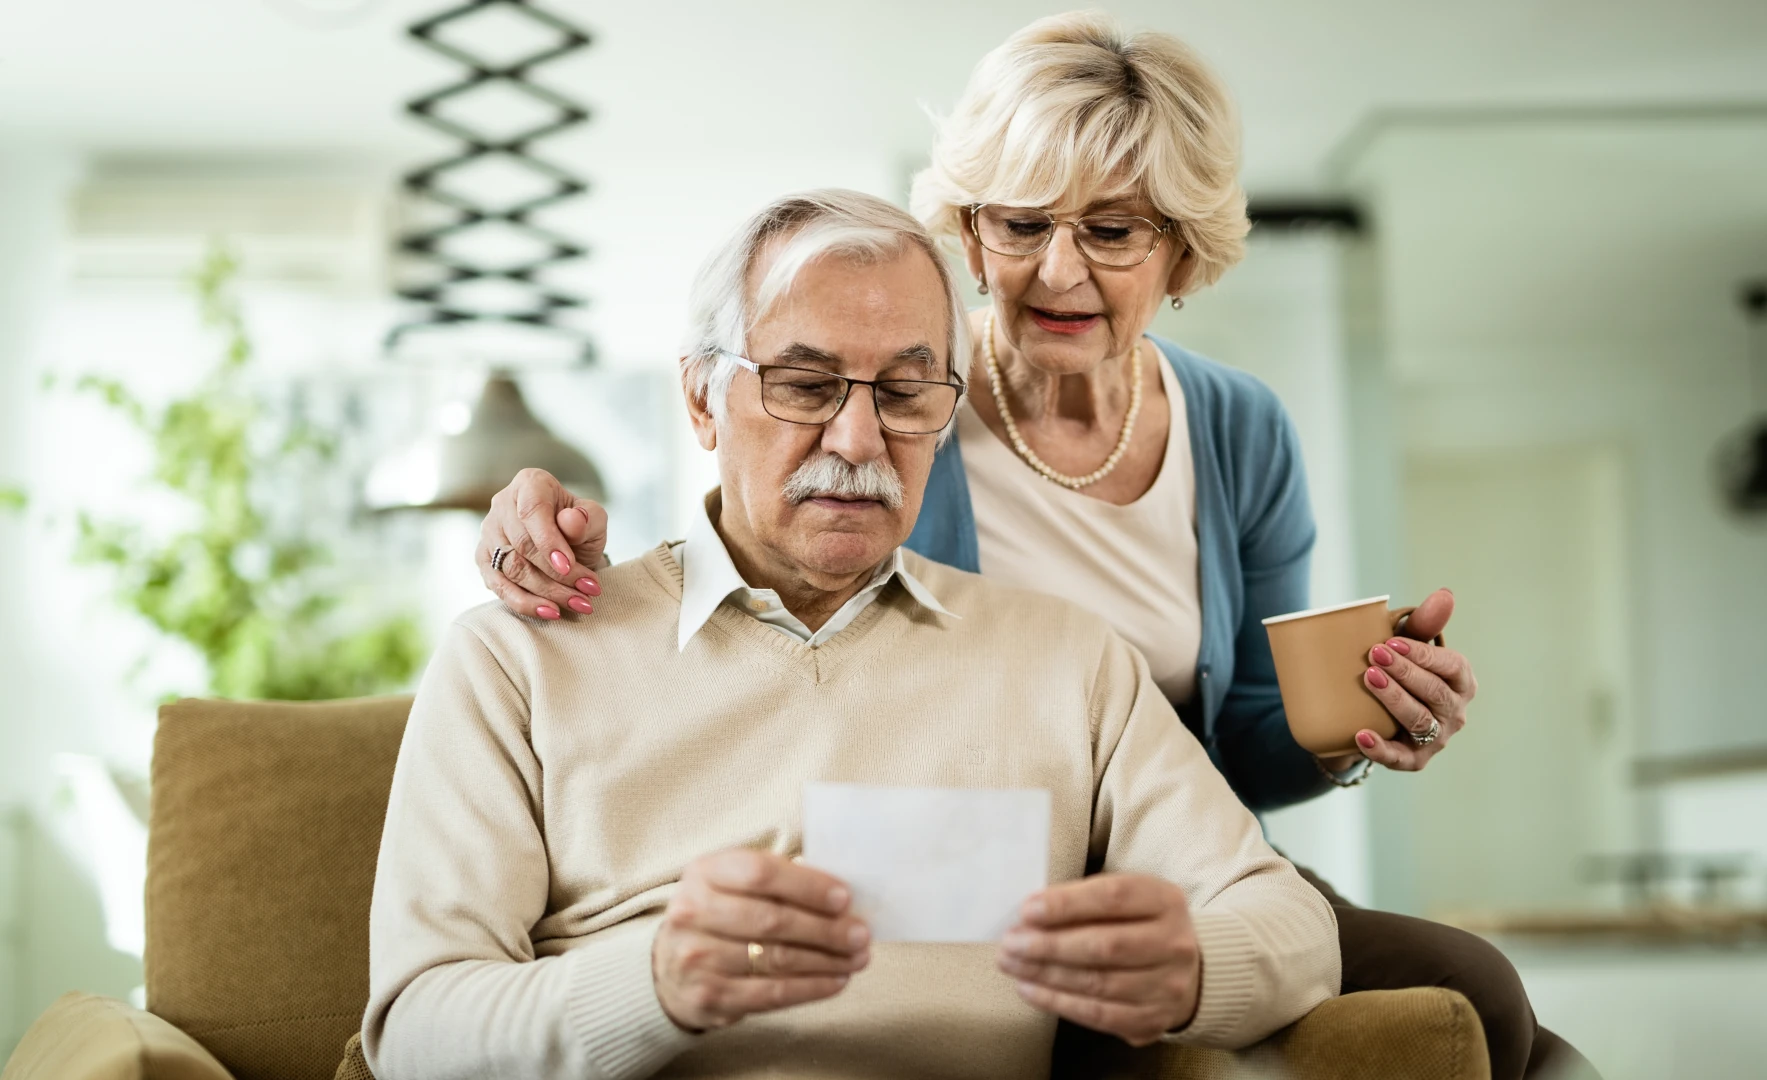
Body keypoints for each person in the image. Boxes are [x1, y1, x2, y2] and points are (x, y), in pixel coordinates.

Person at [467, 14, 1592, 1080]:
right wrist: (537, 515)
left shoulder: (1240, 431)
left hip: (1161, 861)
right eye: (1019, 225)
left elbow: (1241, 746)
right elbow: (749, 547)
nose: (1060, 272)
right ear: (969, 231)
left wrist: (1355, 723)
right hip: (960, 864)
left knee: (1477, 990)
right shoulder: (902, 406)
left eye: (1110, 231)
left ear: (1180, 251)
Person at [363, 190, 1341, 1080]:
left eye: (907, 393)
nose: (859, 441)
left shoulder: (1067, 660)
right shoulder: (520, 656)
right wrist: (655, 985)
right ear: (703, 396)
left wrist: (1195, 970)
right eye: (803, 384)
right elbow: (417, 1029)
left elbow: (1294, 928)